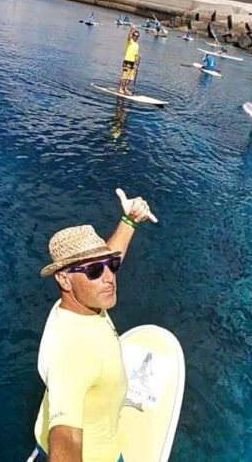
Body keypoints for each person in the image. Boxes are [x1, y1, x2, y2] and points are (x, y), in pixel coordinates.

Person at [30, 189, 158, 462]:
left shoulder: (78, 304)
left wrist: (130, 221)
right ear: (64, 280)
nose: (110, 277)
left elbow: (105, 260)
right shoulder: (73, 352)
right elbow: (66, 437)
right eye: (94, 271)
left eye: (111, 265)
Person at [117, 28, 140, 95]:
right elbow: (128, 37)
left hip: (133, 63)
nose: (136, 37)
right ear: (133, 35)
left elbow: (136, 55)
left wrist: (137, 65)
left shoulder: (137, 45)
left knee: (130, 78)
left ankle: (125, 88)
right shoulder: (129, 41)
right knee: (124, 76)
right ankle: (120, 88)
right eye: (135, 35)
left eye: (137, 36)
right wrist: (132, 29)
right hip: (127, 61)